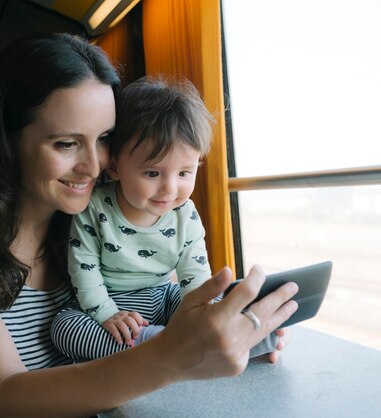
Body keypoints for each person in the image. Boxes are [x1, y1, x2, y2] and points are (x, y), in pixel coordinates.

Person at [0, 32, 298, 417]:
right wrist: (175, 355)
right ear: (6, 139)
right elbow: (5, 396)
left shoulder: (86, 217)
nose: (95, 165)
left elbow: (159, 302)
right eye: (66, 144)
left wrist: (230, 335)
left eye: (105, 138)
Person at [52, 77, 279, 360]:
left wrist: (205, 313)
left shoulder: (185, 214)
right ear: (114, 167)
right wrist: (108, 314)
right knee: (65, 328)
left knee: (219, 303)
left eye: (184, 173)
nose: (170, 189)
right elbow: (84, 271)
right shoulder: (95, 206)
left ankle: (248, 339)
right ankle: (164, 345)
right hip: (110, 304)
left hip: (164, 296)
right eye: (152, 173)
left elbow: (194, 276)